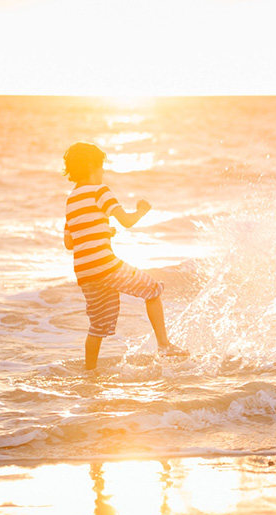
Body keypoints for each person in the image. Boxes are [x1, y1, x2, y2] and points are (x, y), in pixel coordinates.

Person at [63, 141, 186, 370]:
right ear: (92, 165)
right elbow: (127, 221)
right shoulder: (100, 191)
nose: (102, 172)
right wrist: (142, 210)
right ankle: (164, 345)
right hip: (105, 265)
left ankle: (90, 373)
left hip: (84, 271)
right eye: (101, 167)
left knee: (97, 326)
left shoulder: (71, 199)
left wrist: (103, 230)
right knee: (152, 290)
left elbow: (70, 242)